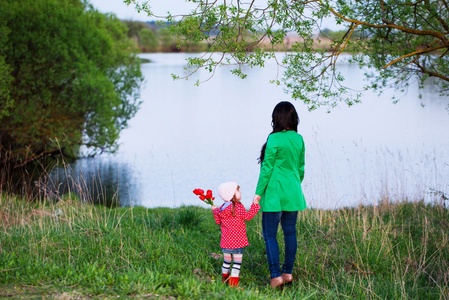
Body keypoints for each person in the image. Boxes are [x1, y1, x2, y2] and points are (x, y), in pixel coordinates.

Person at [252, 101, 306, 289]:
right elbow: (301, 169)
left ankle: (275, 276)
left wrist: (258, 193)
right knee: (290, 233)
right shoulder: (299, 139)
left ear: (276, 118)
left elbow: (266, 168)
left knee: (270, 235)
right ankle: (288, 273)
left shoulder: (274, 139)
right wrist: (294, 184)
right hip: (293, 192)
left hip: (274, 194)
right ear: (293, 118)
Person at [211, 181, 260, 288]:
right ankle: (233, 286)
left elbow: (218, 221)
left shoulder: (222, 208)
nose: (240, 192)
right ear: (231, 194)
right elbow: (248, 216)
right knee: (236, 264)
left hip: (225, 243)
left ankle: (225, 281)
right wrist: (255, 205)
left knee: (226, 263)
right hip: (237, 242)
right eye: (238, 190)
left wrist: (215, 210)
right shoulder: (237, 207)